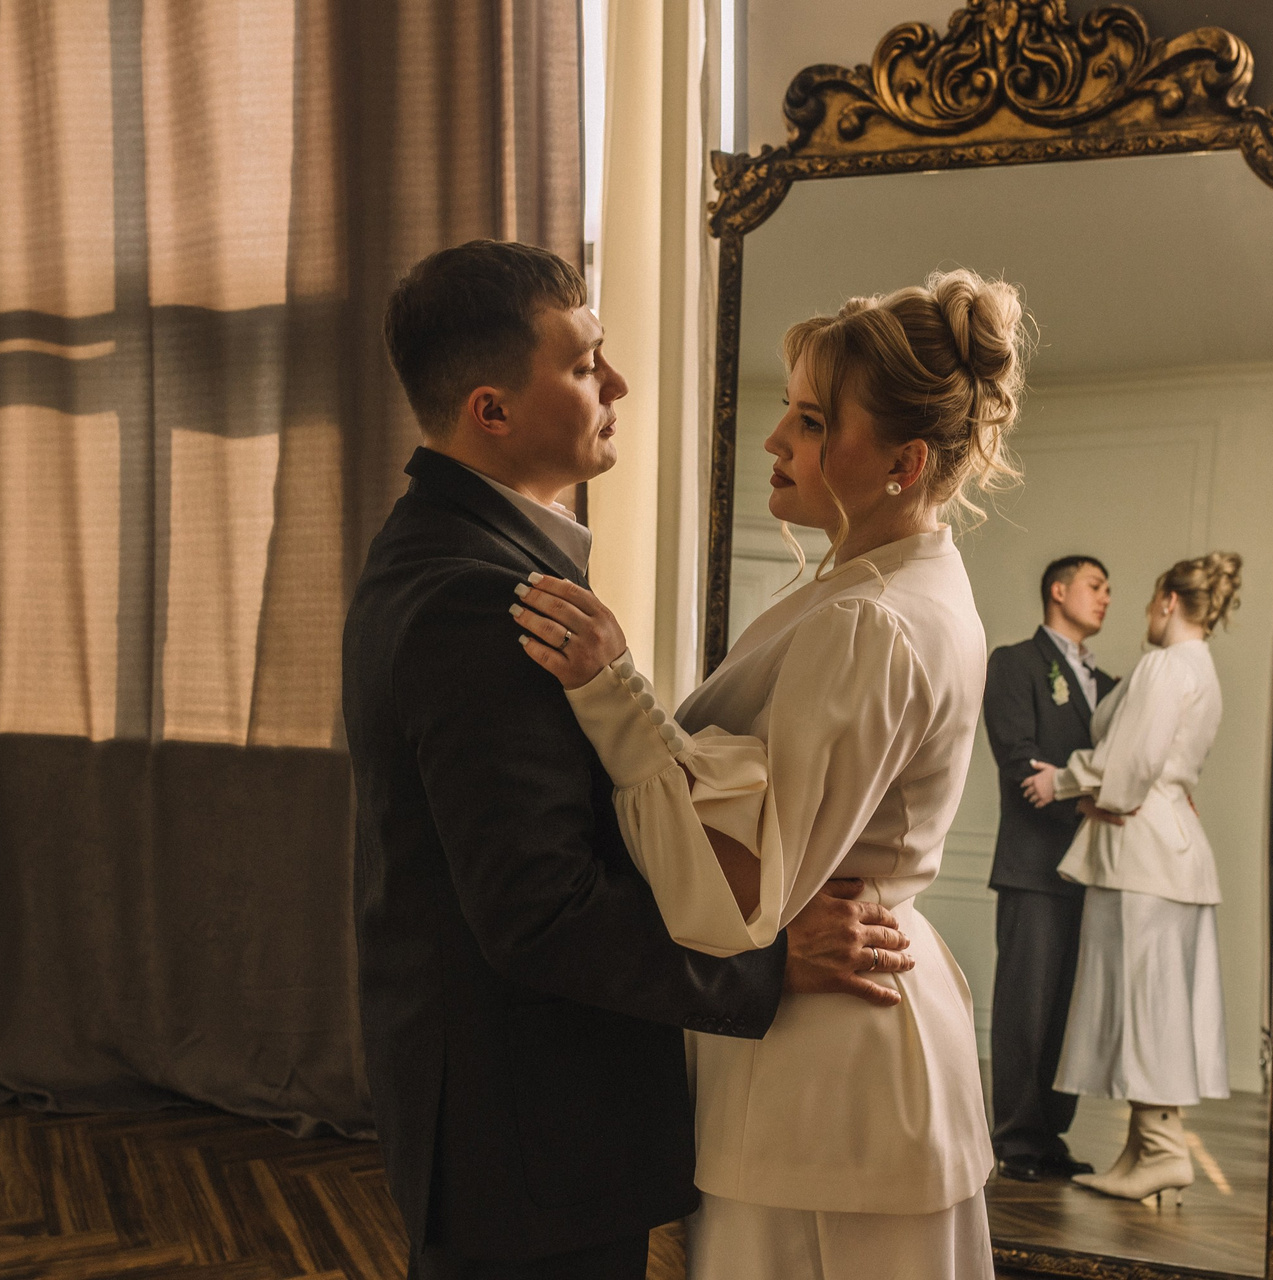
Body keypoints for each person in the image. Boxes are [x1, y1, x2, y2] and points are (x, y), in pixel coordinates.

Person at [343, 240, 912, 1280]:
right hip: (529, 1132)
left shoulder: (447, 547)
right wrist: (767, 965)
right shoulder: (479, 599)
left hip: (508, 1113)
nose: (618, 384)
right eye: (582, 365)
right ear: (491, 410)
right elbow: (539, 913)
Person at [511, 268, 1026, 1278]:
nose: (775, 440)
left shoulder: (871, 619)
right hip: (847, 1043)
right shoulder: (896, 583)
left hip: (830, 1072)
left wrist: (615, 691)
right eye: (790, 411)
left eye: (812, 421)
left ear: (904, 462)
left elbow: (742, 893)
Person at [1022, 552, 1243, 1204]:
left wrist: (1064, 782)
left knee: (1143, 1007)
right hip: (1172, 851)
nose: (1143, 610)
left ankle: (1162, 1151)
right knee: (1153, 1005)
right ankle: (1145, 1149)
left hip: (1142, 853)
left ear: (1169, 601)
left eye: (1149, 599)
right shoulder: (1200, 669)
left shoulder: (1166, 665)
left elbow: (1131, 760)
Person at [983, 555, 1117, 1182]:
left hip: (1092, 867)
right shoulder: (1014, 663)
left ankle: (1051, 1137)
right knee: (1026, 1009)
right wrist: (1085, 800)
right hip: (1033, 865)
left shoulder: (1111, 685)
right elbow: (1019, 758)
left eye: (1110, 590)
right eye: (1096, 585)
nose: (1106, 597)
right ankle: (1015, 1140)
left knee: (1068, 1010)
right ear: (1058, 591)